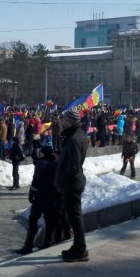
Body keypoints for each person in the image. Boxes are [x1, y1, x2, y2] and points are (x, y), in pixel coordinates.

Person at [55, 107, 89, 262]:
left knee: (75, 217)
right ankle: (78, 246)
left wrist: (63, 179)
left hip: (73, 183)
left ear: (70, 122)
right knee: (74, 216)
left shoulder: (75, 138)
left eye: (64, 120)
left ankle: (80, 249)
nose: (62, 122)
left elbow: (73, 165)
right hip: (73, 182)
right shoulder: (77, 135)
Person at [15, 145, 60, 255]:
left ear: (43, 153)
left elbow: (37, 179)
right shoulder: (56, 164)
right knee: (49, 220)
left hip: (41, 196)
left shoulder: (41, 164)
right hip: (53, 196)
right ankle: (46, 242)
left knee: (33, 219)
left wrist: (32, 192)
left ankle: (28, 246)